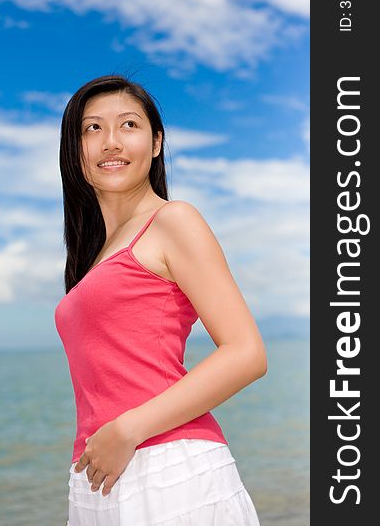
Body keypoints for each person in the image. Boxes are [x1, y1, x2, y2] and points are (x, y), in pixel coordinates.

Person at [55, 74, 267, 525]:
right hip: (101, 474)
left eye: (128, 125)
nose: (110, 142)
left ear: (156, 143)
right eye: (92, 129)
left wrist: (128, 430)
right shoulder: (94, 257)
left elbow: (246, 353)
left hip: (167, 470)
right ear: (76, 150)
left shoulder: (173, 220)